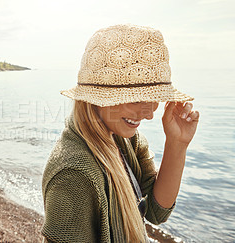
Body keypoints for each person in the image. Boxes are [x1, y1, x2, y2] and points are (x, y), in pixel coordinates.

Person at [41, 24, 199, 242]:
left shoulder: (126, 142)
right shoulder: (74, 174)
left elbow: (156, 211)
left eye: (153, 99)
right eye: (136, 98)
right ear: (98, 97)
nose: (149, 114)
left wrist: (177, 143)